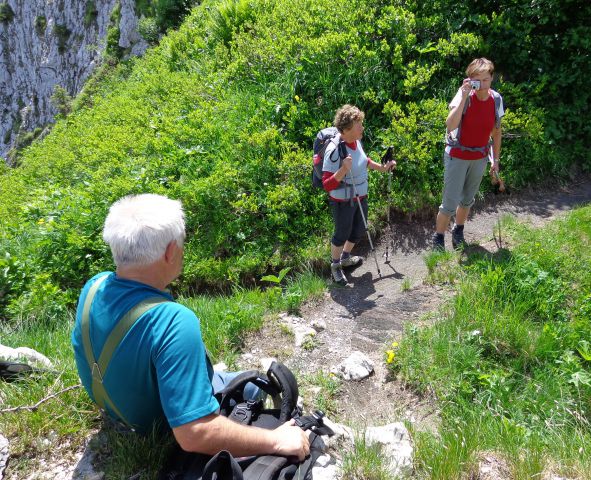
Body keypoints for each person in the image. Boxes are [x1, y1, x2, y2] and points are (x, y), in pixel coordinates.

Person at [71, 194, 309, 459]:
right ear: (171, 251)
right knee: (254, 387)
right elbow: (194, 434)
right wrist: (275, 441)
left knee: (233, 378)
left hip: (118, 406)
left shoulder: (94, 286)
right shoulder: (172, 320)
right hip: (157, 425)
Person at [432, 57, 505, 250]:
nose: (481, 85)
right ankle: (438, 238)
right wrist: (464, 97)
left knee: (467, 199)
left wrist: (495, 161)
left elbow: (496, 132)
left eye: (486, 79)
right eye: (477, 80)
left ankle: (458, 231)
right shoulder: (463, 96)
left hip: (479, 157)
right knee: (449, 201)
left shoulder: (496, 99)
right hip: (457, 155)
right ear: (470, 79)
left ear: (492, 78)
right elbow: (450, 125)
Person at [321, 104, 396, 285]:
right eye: (359, 125)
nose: (362, 128)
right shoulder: (334, 150)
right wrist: (343, 170)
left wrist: (383, 168)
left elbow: (365, 161)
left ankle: (345, 258)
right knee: (341, 233)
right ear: (347, 129)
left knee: (359, 229)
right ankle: (335, 266)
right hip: (343, 200)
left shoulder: (356, 141)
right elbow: (327, 184)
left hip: (360, 196)